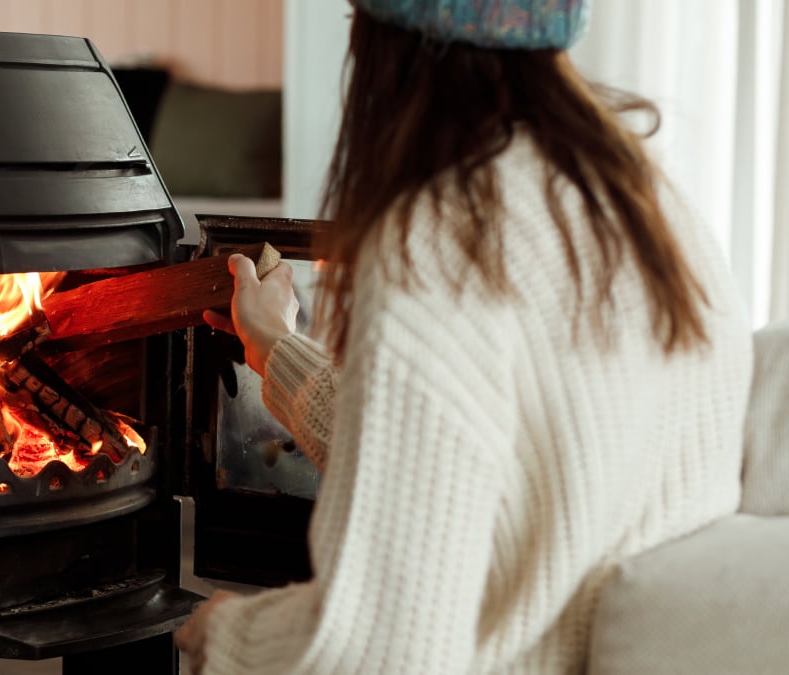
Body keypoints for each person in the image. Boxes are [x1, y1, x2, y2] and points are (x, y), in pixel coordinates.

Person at [173, 0, 753, 673]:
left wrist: (224, 635)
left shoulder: (442, 234)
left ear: (385, 44)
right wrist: (274, 343)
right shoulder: (648, 199)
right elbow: (461, 460)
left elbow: (383, 646)